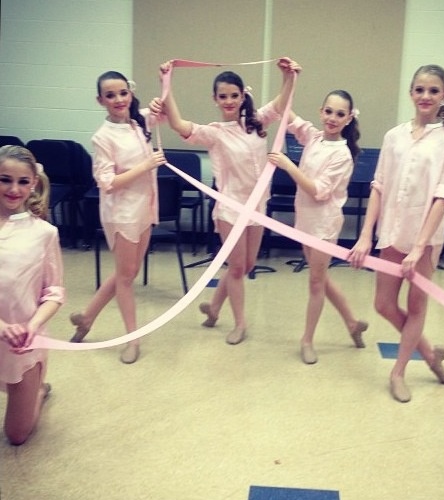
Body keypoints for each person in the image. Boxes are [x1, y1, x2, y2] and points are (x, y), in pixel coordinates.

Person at [149, 58, 296, 345]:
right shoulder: (214, 132)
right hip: (229, 209)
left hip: (257, 207)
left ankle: (214, 307)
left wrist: (287, 76)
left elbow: (281, 103)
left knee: (247, 264)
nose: (229, 101)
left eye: (234, 95)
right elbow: (178, 124)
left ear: (243, 96)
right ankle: (240, 323)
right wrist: (166, 84)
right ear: (215, 99)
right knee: (238, 268)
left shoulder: (257, 122)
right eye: (223, 96)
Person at [348, 64, 444, 402]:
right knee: (383, 303)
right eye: (420, 89)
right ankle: (430, 355)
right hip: (392, 231)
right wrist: (366, 235)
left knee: (416, 306)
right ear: (411, 93)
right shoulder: (393, 136)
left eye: (433, 90)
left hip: (424, 239)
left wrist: (419, 247)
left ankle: (398, 371)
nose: (425, 96)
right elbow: (379, 186)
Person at [267, 75, 368, 364]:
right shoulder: (312, 136)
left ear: (349, 118)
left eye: (339, 114)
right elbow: (284, 110)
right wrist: (288, 77)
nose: (332, 118)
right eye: (328, 111)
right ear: (320, 112)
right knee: (320, 276)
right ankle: (352, 322)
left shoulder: (343, 155)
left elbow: (319, 191)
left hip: (324, 225)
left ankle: (308, 339)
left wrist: (288, 165)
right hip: (305, 221)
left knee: (314, 282)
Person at [69, 71, 167, 363]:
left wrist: (165, 78)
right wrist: (146, 165)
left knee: (128, 272)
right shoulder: (102, 137)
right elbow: (107, 182)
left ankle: (87, 318)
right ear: (101, 100)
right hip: (122, 212)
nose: (118, 100)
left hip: (146, 207)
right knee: (127, 277)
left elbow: (164, 109)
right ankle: (131, 339)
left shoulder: (139, 121)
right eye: (110, 95)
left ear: (130, 93)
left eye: (123, 93)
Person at [0, 145, 64, 444]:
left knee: (16, 435)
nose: (14, 189)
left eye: (23, 182)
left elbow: (54, 291)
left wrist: (33, 325)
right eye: (5, 179)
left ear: (33, 184)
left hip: (20, 344)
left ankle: (36, 388)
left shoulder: (44, 233)